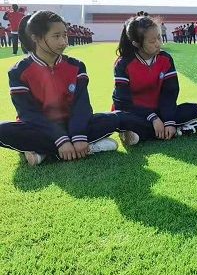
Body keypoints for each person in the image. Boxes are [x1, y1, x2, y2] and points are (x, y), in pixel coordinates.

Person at [0, 11, 119, 166]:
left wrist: (78, 135)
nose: (64, 42)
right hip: (40, 127)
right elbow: (29, 114)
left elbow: (81, 106)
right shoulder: (18, 72)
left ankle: (42, 152)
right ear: (36, 38)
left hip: (71, 123)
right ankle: (89, 147)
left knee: (115, 118)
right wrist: (60, 139)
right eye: (56, 36)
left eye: (65, 35)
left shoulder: (76, 65)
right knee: (3, 129)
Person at [112, 16, 197, 146]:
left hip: (159, 110)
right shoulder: (123, 64)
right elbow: (122, 102)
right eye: (152, 41)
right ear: (136, 43)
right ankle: (179, 130)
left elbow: (170, 93)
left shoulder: (165, 59)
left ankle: (142, 133)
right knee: (118, 119)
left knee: (194, 109)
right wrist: (153, 118)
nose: (158, 43)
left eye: (159, 38)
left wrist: (169, 121)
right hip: (134, 112)